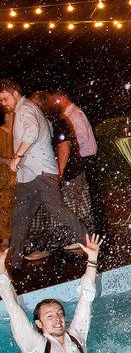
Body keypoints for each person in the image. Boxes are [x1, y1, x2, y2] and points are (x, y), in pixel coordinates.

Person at [0, 79, 89, 268]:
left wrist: (18, 156)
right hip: (31, 174)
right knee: (20, 216)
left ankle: (88, 242)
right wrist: (20, 159)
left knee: (56, 211)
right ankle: (13, 259)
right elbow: (46, 129)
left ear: (15, 93)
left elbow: (32, 132)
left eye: (5, 98)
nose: (3, 103)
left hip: (40, 174)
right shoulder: (31, 109)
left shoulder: (25, 109)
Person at [0, 234, 102, 353]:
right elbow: (12, 306)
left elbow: (86, 298)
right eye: (49, 316)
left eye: (60, 314)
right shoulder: (34, 345)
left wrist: (92, 259)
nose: (57, 319)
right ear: (39, 324)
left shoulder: (77, 336)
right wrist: (1, 268)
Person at [25, 91, 94, 262]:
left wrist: (59, 172)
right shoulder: (42, 123)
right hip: (47, 174)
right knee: (48, 211)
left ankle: (76, 242)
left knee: (69, 207)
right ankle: (47, 246)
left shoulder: (58, 122)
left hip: (68, 173)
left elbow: (64, 146)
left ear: (41, 106)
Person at [50, 89, 103, 230]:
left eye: (56, 100)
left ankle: (94, 228)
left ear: (64, 97)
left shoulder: (74, 115)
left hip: (86, 158)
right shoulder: (69, 115)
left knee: (90, 194)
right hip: (84, 158)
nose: (55, 103)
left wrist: (72, 149)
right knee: (88, 194)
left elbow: (82, 138)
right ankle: (92, 227)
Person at [0, 106, 14, 248]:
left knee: (15, 207)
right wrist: (6, 160)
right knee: (4, 207)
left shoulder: (18, 131)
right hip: (4, 176)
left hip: (19, 175)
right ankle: (5, 239)